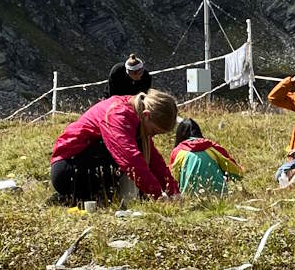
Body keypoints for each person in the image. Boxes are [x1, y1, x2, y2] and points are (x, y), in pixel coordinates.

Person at [48, 87, 181, 205]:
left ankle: (87, 197)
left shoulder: (136, 114)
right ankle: (76, 196)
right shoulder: (118, 115)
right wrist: (157, 194)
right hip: (67, 169)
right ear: (146, 115)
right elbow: (130, 160)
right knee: (127, 154)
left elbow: (153, 159)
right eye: (154, 131)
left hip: (81, 163)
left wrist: (173, 191)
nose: (153, 136)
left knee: (137, 150)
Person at [169, 117, 245, 197]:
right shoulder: (212, 147)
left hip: (189, 199)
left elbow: (172, 178)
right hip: (219, 197)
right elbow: (238, 173)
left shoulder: (178, 152)